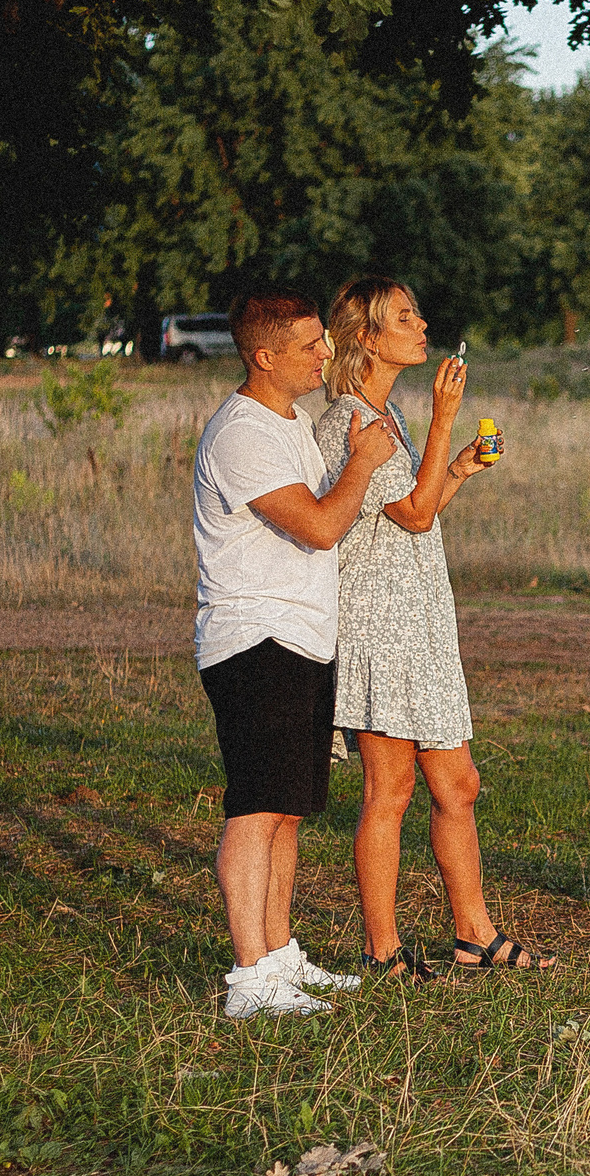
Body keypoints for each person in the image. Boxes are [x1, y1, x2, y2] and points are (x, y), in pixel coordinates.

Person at [316, 276, 549, 980]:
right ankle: (381, 948)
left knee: (459, 783)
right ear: (366, 337)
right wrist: (447, 413)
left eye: (418, 313)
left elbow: (417, 505)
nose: (423, 324)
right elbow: (414, 516)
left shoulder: (388, 417)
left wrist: (455, 468)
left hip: (419, 622)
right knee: (390, 790)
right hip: (378, 627)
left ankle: (473, 935)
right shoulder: (348, 421)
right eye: (405, 316)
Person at [193, 289, 399, 1019]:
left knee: (287, 809)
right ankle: (249, 979)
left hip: (303, 637)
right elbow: (317, 526)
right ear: (265, 356)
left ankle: (280, 957)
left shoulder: (292, 424)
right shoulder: (240, 434)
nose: (323, 353)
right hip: (254, 639)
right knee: (256, 809)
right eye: (309, 345)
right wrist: (364, 462)